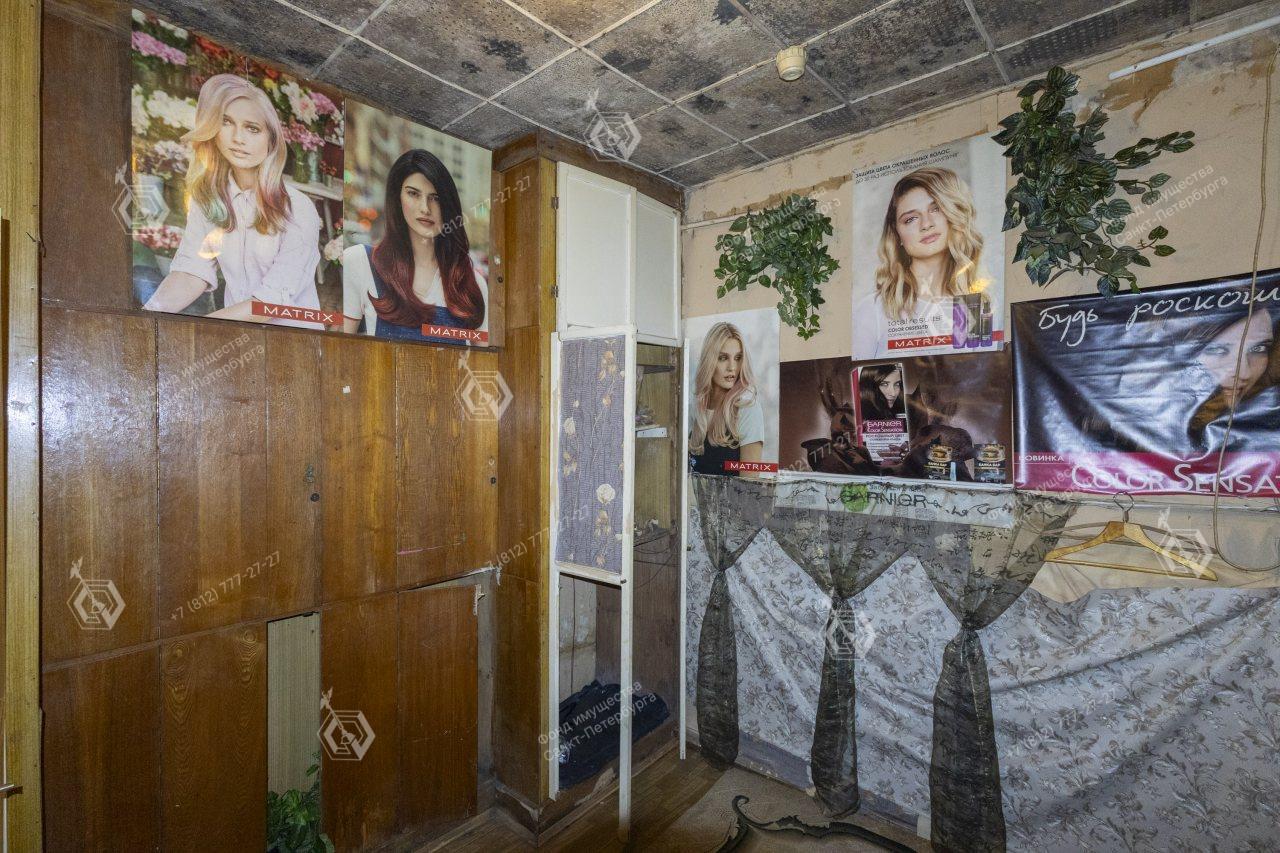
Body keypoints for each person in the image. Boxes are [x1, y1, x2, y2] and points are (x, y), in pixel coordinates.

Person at [143, 74, 322, 326]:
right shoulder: (207, 199)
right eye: (226, 122)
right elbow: (193, 271)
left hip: (291, 340)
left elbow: (270, 303)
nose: (238, 138)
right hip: (232, 332)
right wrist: (146, 315)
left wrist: (196, 329)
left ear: (271, 140)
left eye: (252, 128)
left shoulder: (299, 208)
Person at [343, 149, 487, 342]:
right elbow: (340, 351)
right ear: (397, 197)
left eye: (435, 198)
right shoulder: (360, 262)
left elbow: (482, 358)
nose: (425, 208)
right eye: (413, 193)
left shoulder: (472, 283)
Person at [852, 167, 985, 359]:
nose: (926, 224)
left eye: (936, 209)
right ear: (897, 234)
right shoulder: (872, 310)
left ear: (953, 213)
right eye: (911, 219)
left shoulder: (976, 306)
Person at [689, 323, 764, 476]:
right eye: (723, 358)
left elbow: (750, 483)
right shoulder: (694, 409)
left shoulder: (748, 409)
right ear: (709, 361)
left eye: (738, 358)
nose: (732, 367)